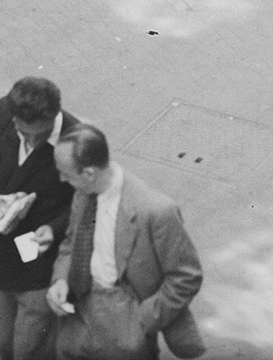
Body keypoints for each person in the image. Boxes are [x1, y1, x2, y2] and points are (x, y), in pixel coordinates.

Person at [46, 123, 204, 358]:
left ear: (89, 173)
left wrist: (141, 322)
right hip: (80, 309)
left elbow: (186, 277)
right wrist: (60, 280)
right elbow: (71, 242)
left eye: (66, 174)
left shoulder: (156, 211)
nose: (61, 179)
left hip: (124, 316)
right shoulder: (83, 192)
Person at [0, 76, 82, 360]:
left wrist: (53, 229)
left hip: (38, 269)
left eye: (40, 136)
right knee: (5, 346)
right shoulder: (2, 113)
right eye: (24, 132)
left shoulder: (77, 140)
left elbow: (85, 203)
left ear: (55, 115)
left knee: (31, 350)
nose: (31, 141)